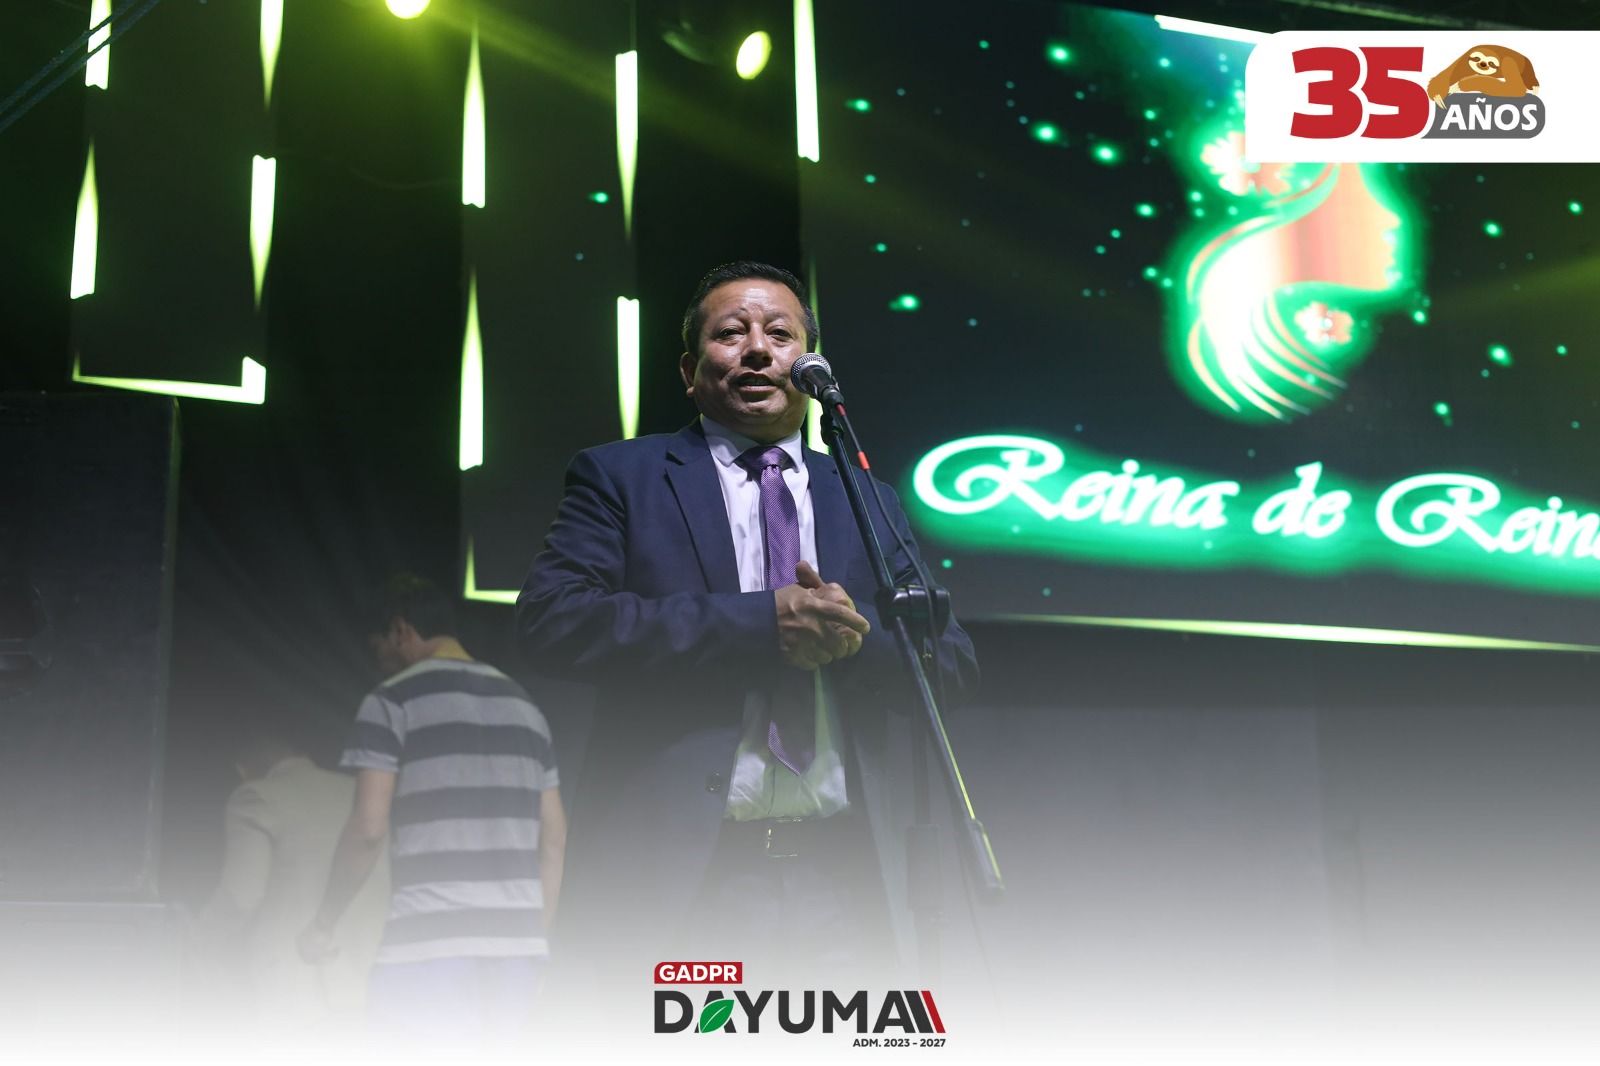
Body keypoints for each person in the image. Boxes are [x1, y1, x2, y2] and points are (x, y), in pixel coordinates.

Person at [516, 262, 979, 1003]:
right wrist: (762, 625)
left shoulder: (866, 496)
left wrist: (847, 641)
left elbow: (950, 662)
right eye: (731, 333)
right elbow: (553, 620)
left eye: (780, 334)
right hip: (686, 883)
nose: (758, 348)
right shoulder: (623, 476)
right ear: (689, 371)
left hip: (846, 885)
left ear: (810, 365)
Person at [298, 574, 566, 1046]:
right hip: (517, 954)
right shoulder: (526, 708)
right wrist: (535, 942)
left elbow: (368, 830)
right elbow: (555, 837)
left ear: (399, 630)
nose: (379, 664)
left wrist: (323, 923)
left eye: (378, 649)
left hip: (428, 948)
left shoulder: (391, 701)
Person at [197, 726, 387, 1032]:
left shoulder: (256, 796)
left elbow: (242, 895)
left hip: (295, 988)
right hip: (366, 986)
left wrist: (197, 939)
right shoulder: (361, 794)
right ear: (304, 755)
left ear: (242, 770)